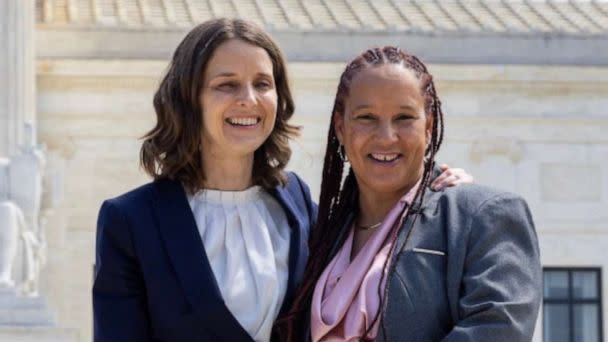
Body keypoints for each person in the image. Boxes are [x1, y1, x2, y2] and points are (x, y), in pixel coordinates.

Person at [92, 19, 472, 342]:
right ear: (190, 98)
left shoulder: (297, 202)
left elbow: (377, 232)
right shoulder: (131, 221)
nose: (249, 99)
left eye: (262, 83)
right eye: (227, 84)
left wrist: (434, 186)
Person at [280, 46, 541, 342]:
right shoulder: (322, 236)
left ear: (428, 127)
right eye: (366, 117)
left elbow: (499, 328)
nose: (386, 136)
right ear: (341, 127)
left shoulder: (481, 216)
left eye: (404, 118)